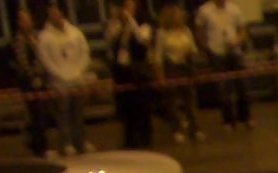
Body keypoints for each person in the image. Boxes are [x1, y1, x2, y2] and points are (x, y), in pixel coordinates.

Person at [35, 1, 92, 155]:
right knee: (63, 115)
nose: (54, 15)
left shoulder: (75, 33)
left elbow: (84, 53)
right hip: (59, 84)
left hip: (77, 81)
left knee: (79, 114)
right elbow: (46, 60)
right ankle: (66, 143)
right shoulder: (44, 37)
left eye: (56, 11)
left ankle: (81, 141)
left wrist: (78, 71)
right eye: (51, 12)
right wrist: (60, 75)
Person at [104, 0, 153, 148]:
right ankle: (129, 140)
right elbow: (109, 38)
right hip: (122, 72)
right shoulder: (117, 27)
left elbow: (142, 39)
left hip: (138, 72)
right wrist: (117, 22)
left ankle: (145, 139)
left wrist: (130, 21)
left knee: (142, 107)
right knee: (126, 108)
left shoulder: (143, 26)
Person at [192, 0, 247, 128]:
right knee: (222, 88)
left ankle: (244, 118)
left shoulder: (234, 9)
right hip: (216, 51)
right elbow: (199, 31)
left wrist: (237, 41)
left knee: (241, 85)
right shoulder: (204, 11)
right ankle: (228, 120)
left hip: (234, 50)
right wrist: (206, 48)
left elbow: (242, 30)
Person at [152, 3, 198, 142]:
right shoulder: (162, 33)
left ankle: (194, 128)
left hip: (185, 65)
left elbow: (193, 49)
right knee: (171, 101)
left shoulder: (186, 31)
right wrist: (160, 75)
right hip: (171, 67)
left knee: (190, 99)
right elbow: (158, 55)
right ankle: (176, 129)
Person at [10, 5, 50, 157]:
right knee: (36, 115)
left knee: (42, 115)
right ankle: (38, 147)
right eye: (24, 20)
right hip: (30, 83)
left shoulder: (34, 37)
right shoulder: (19, 40)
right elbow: (23, 62)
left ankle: (41, 144)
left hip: (40, 81)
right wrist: (33, 77)